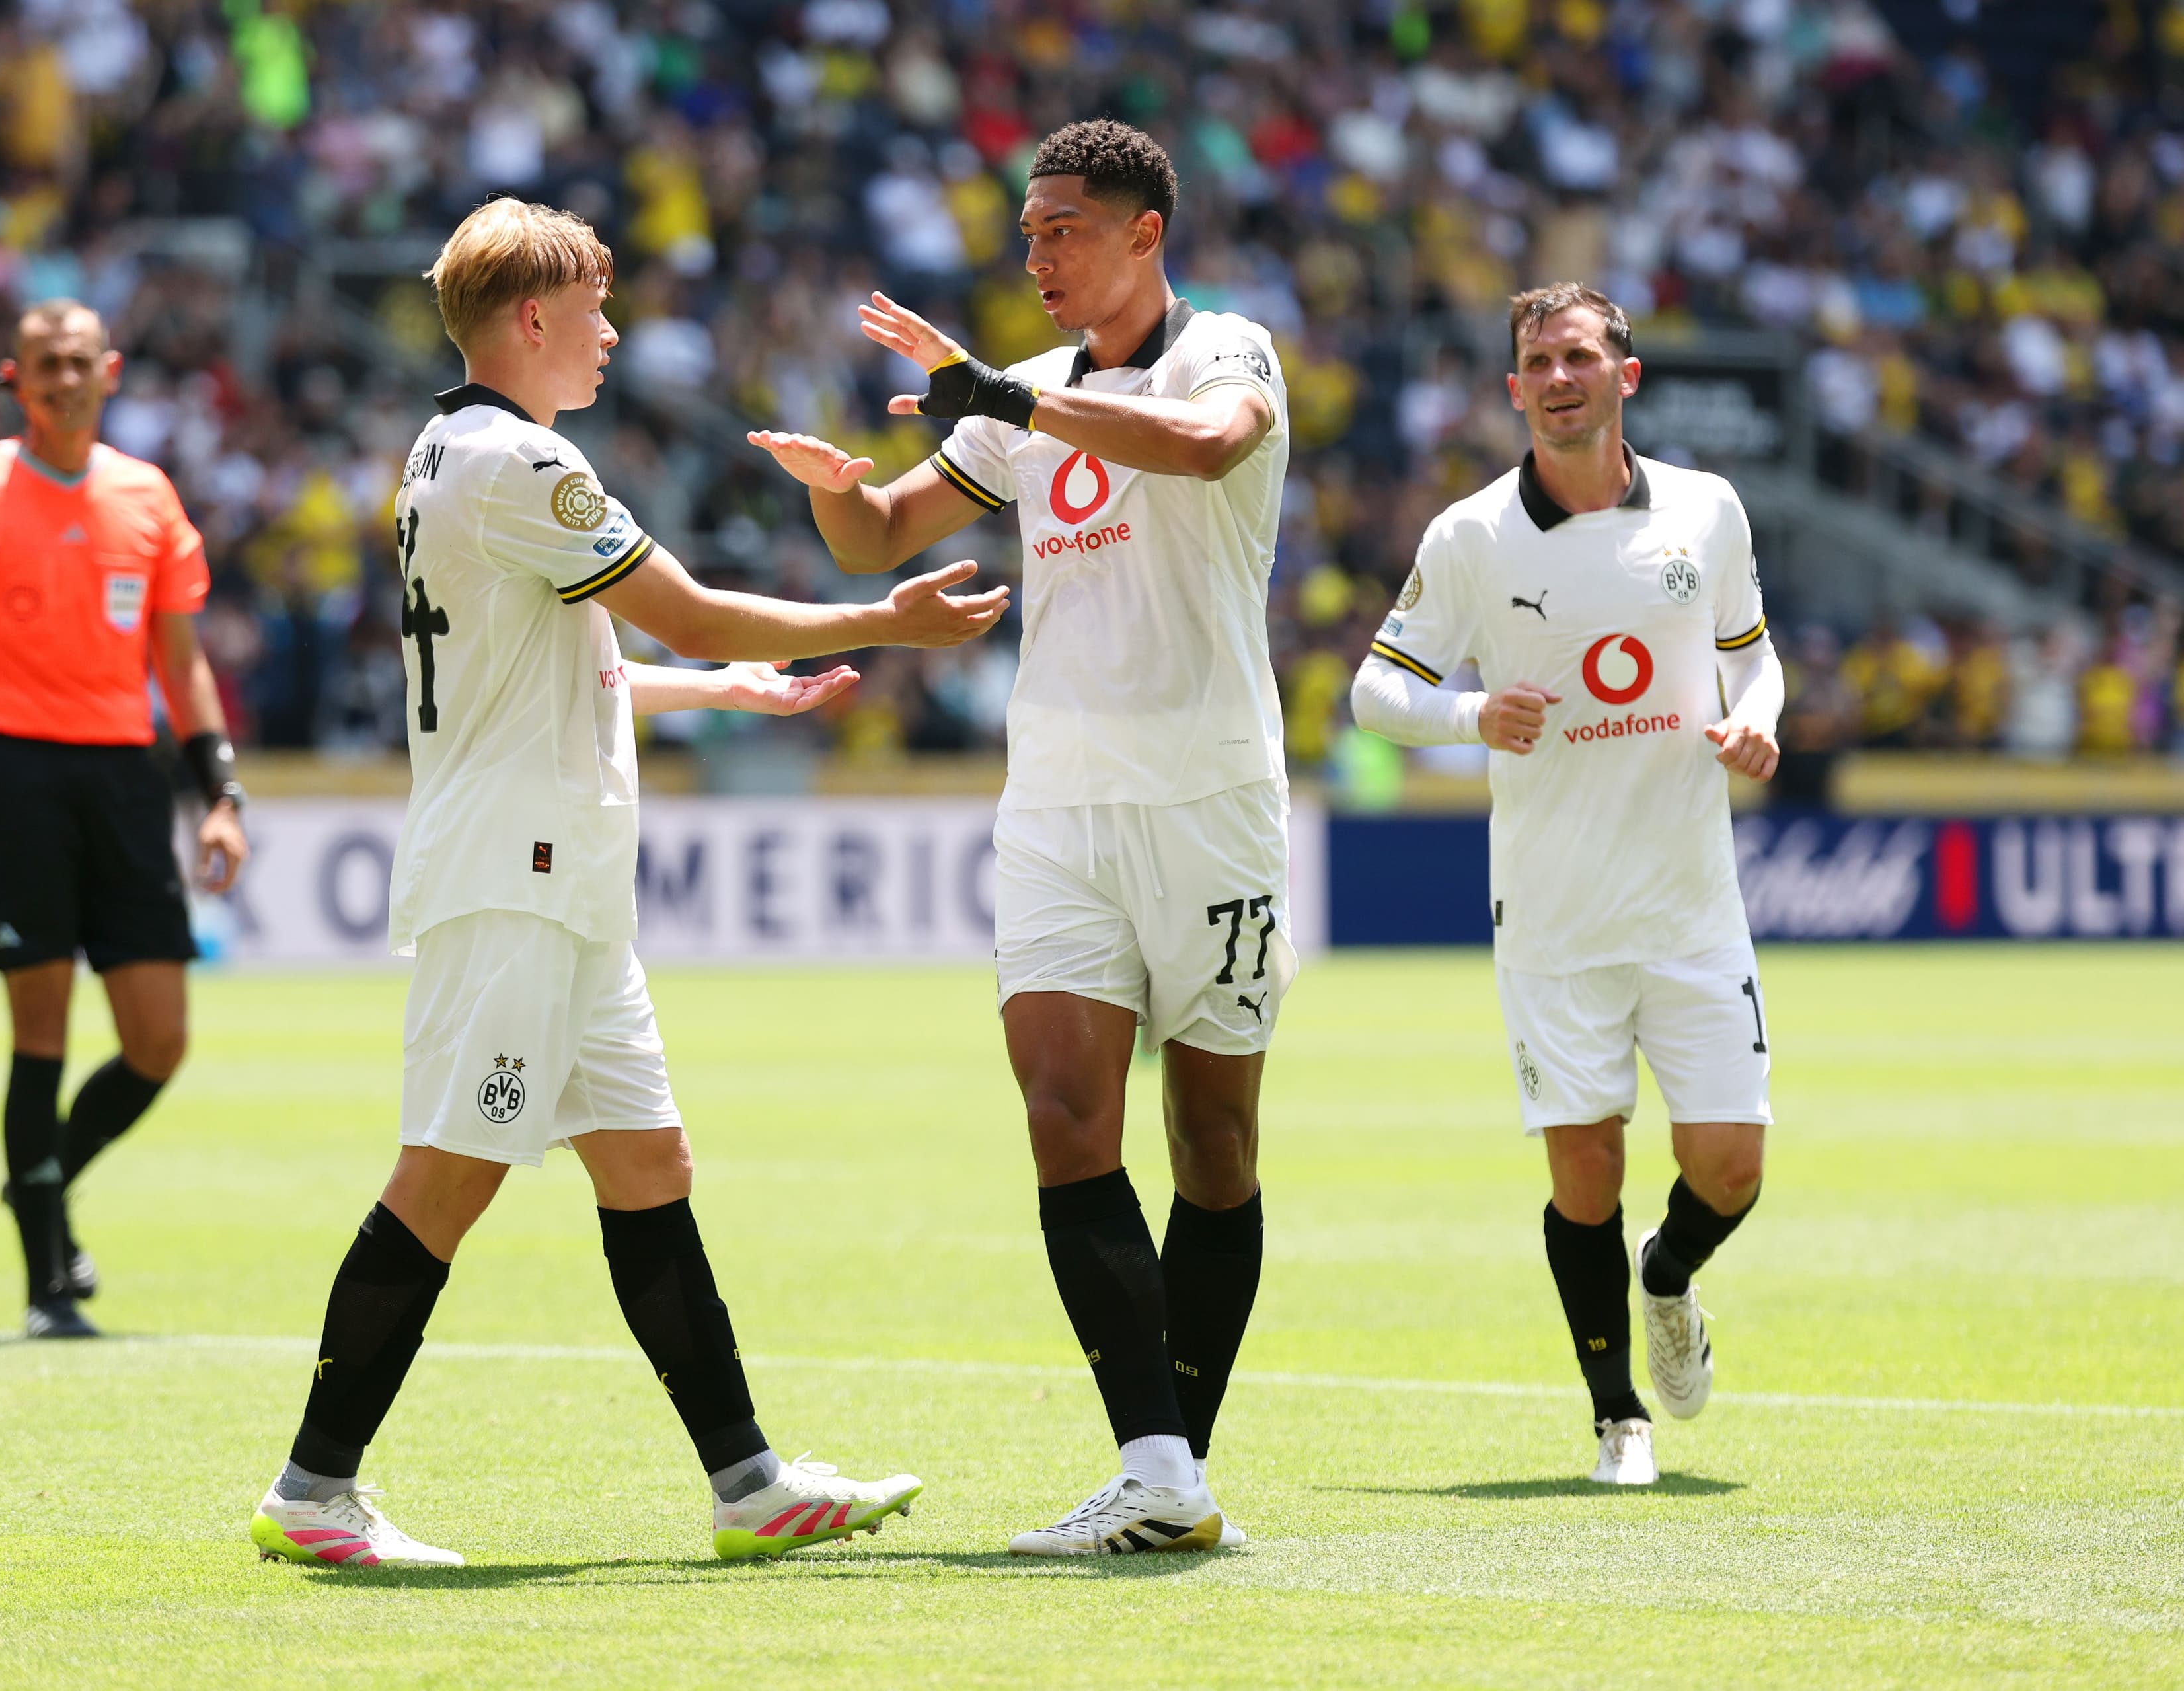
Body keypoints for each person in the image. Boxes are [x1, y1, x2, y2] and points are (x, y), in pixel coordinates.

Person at [246, 198, 1008, 1569]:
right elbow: (694, 601)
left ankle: (749, 1481)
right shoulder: (529, 465)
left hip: (561, 877)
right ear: (529, 319)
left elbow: (567, 656)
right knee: (447, 1175)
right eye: (594, 308)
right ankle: (313, 1490)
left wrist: (719, 690)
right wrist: (883, 621)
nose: (611, 331)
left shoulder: (444, 449)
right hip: (518, 873)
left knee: (650, 1165)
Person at [750, 120, 1290, 1555]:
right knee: (1063, 1117)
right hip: (1055, 800)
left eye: (1062, 227)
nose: (1035, 253)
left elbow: (1202, 447)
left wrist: (996, 394)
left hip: (1211, 796)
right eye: (1028, 229)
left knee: (1215, 1142)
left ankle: (1179, 1459)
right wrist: (834, 490)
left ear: (1142, 235)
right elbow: (881, 538)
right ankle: (1160, 1467)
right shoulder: (1025, 393)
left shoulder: (1224, 351)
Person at [1349, 284, 1782, 1485]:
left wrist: (1758, 727)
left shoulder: (1708, 509)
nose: (1558, 375)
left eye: (1579, 354)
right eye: (1537, 359)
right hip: (1553, 912)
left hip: (1692, 903)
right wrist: (1476, 712)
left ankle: (1670, 1277)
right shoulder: (1472, 537)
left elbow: (1756, 658)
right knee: (1582, 1168)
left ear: (1625, 375)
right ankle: (1616, 1414)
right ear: (1513, 388)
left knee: (1731, 1168)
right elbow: (1376, 692)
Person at [0, 300, 249, 1341]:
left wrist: (219, 797)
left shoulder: (147, 495)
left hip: (128, 779)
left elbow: (182, 666)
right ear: (15, 379)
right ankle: (48, 1283)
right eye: (43, 364)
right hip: (13, 779)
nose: (61, 379)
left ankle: (38, 1185)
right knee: (38, 1033)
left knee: (158, 1041)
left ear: (111, 372)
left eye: (78, 362)